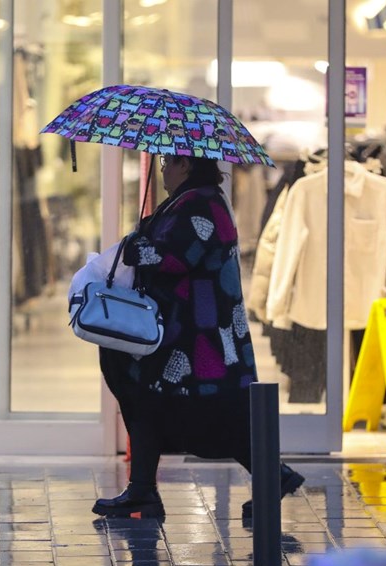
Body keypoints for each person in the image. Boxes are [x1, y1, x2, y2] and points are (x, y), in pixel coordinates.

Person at [95, 154, 304, 519]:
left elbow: (177, 257)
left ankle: (273, 476)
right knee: (156, 404)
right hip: (192, 331)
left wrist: (134, 248)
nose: (162, 170)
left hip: (198, 336)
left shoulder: (201, 204)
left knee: (203, 413)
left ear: (185, 166)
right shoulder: (193, 200)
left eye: (167, 163)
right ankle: (143, 488)